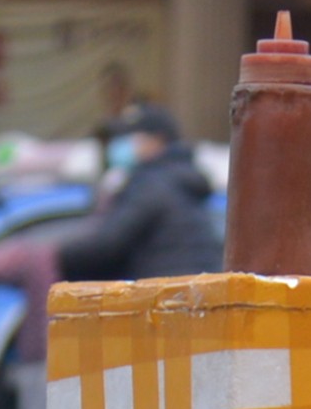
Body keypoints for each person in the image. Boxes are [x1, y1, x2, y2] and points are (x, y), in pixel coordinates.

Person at [49, 103, 223, 281]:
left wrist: (50, 256)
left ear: (156, 141)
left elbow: (108, 243)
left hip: (171, 296)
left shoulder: (152, 185)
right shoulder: (179, 179)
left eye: (131, 138)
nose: (122, 146)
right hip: (191, 293)